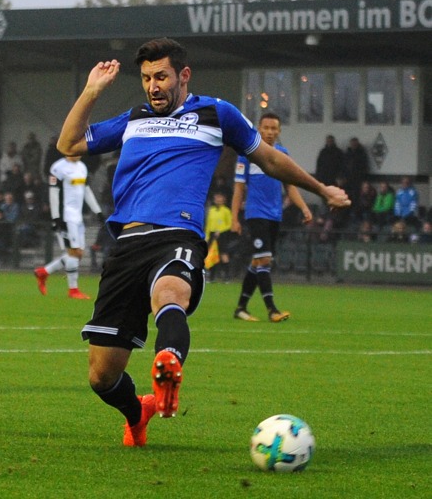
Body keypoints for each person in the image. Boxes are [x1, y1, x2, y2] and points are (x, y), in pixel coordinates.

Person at [55, 38, 349, 448]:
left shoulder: (216, 113)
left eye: (161, 76)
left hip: (178, 233)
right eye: (146, 79)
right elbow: (67, 144)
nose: (153, 86)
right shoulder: (134, 117)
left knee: (170, 293)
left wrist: (321, 189)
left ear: (183, 75)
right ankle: (138, 412)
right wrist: (90, 92)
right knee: (102, 376)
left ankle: (169, 362)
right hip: (126, 243)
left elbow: (270, 159)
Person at [230, 112, 313, 323]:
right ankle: (272, 310)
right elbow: (239, 189)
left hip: (275, 216)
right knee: (264, 260)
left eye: (274, 128)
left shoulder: (282, 154)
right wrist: (234, 218)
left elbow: (290, 186)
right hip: (255, 214)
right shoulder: (246, 155)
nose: (269, 132)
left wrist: (304, 208)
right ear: (259, 129)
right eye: (265, 128)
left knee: (259, 262)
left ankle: (241, 308)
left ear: (279, 131)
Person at [34, 155, 104, 299]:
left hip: (78, 218)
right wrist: (56, 218)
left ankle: (43, 272)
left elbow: (86, 190)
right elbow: (53, 194)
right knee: (73, 253)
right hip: (66, 217)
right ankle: (73, 290)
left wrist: (98, 211)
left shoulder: (82, 167)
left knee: (77, 254)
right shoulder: (58, 168)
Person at [203, 191, 233, 282]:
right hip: (212, 234)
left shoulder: (226, 210)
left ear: (224, 199)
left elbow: (230, 224)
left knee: (223, 254)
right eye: (217, 197)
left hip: (222, 234)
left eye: (220, 197)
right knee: (211, 255)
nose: (218, 199)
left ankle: (226, 276)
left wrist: (220, 230)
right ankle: (211, 277)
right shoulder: (211, 210)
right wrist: (207, 236)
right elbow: (208, 224)